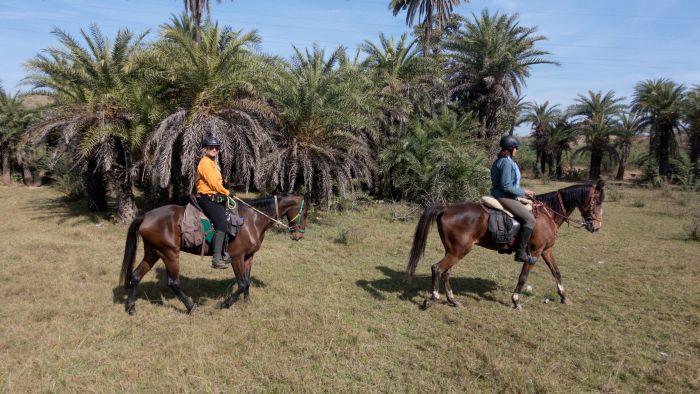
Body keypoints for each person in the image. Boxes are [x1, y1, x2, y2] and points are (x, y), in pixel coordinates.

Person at [490, 135, 537, 264]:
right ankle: (520, 252)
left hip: (503, 194)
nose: (517, 150)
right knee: (530, 220)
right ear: (511, 148)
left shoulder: (501, 160)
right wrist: (524, 192)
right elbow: (506, 186)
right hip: (504, 196)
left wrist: (522, 193)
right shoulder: (506, 162)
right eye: (516, 148)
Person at [195, 135, 231, 269]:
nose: (214, 150)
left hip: (214, 196)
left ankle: (224, 251)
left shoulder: (213, 163)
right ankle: (216, 259)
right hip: (206, 197)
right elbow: (213, 183)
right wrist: (227, 192)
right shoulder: (205, 162)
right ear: (205, 149)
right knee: (222, 223)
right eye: (211, 147)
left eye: (216, 148)